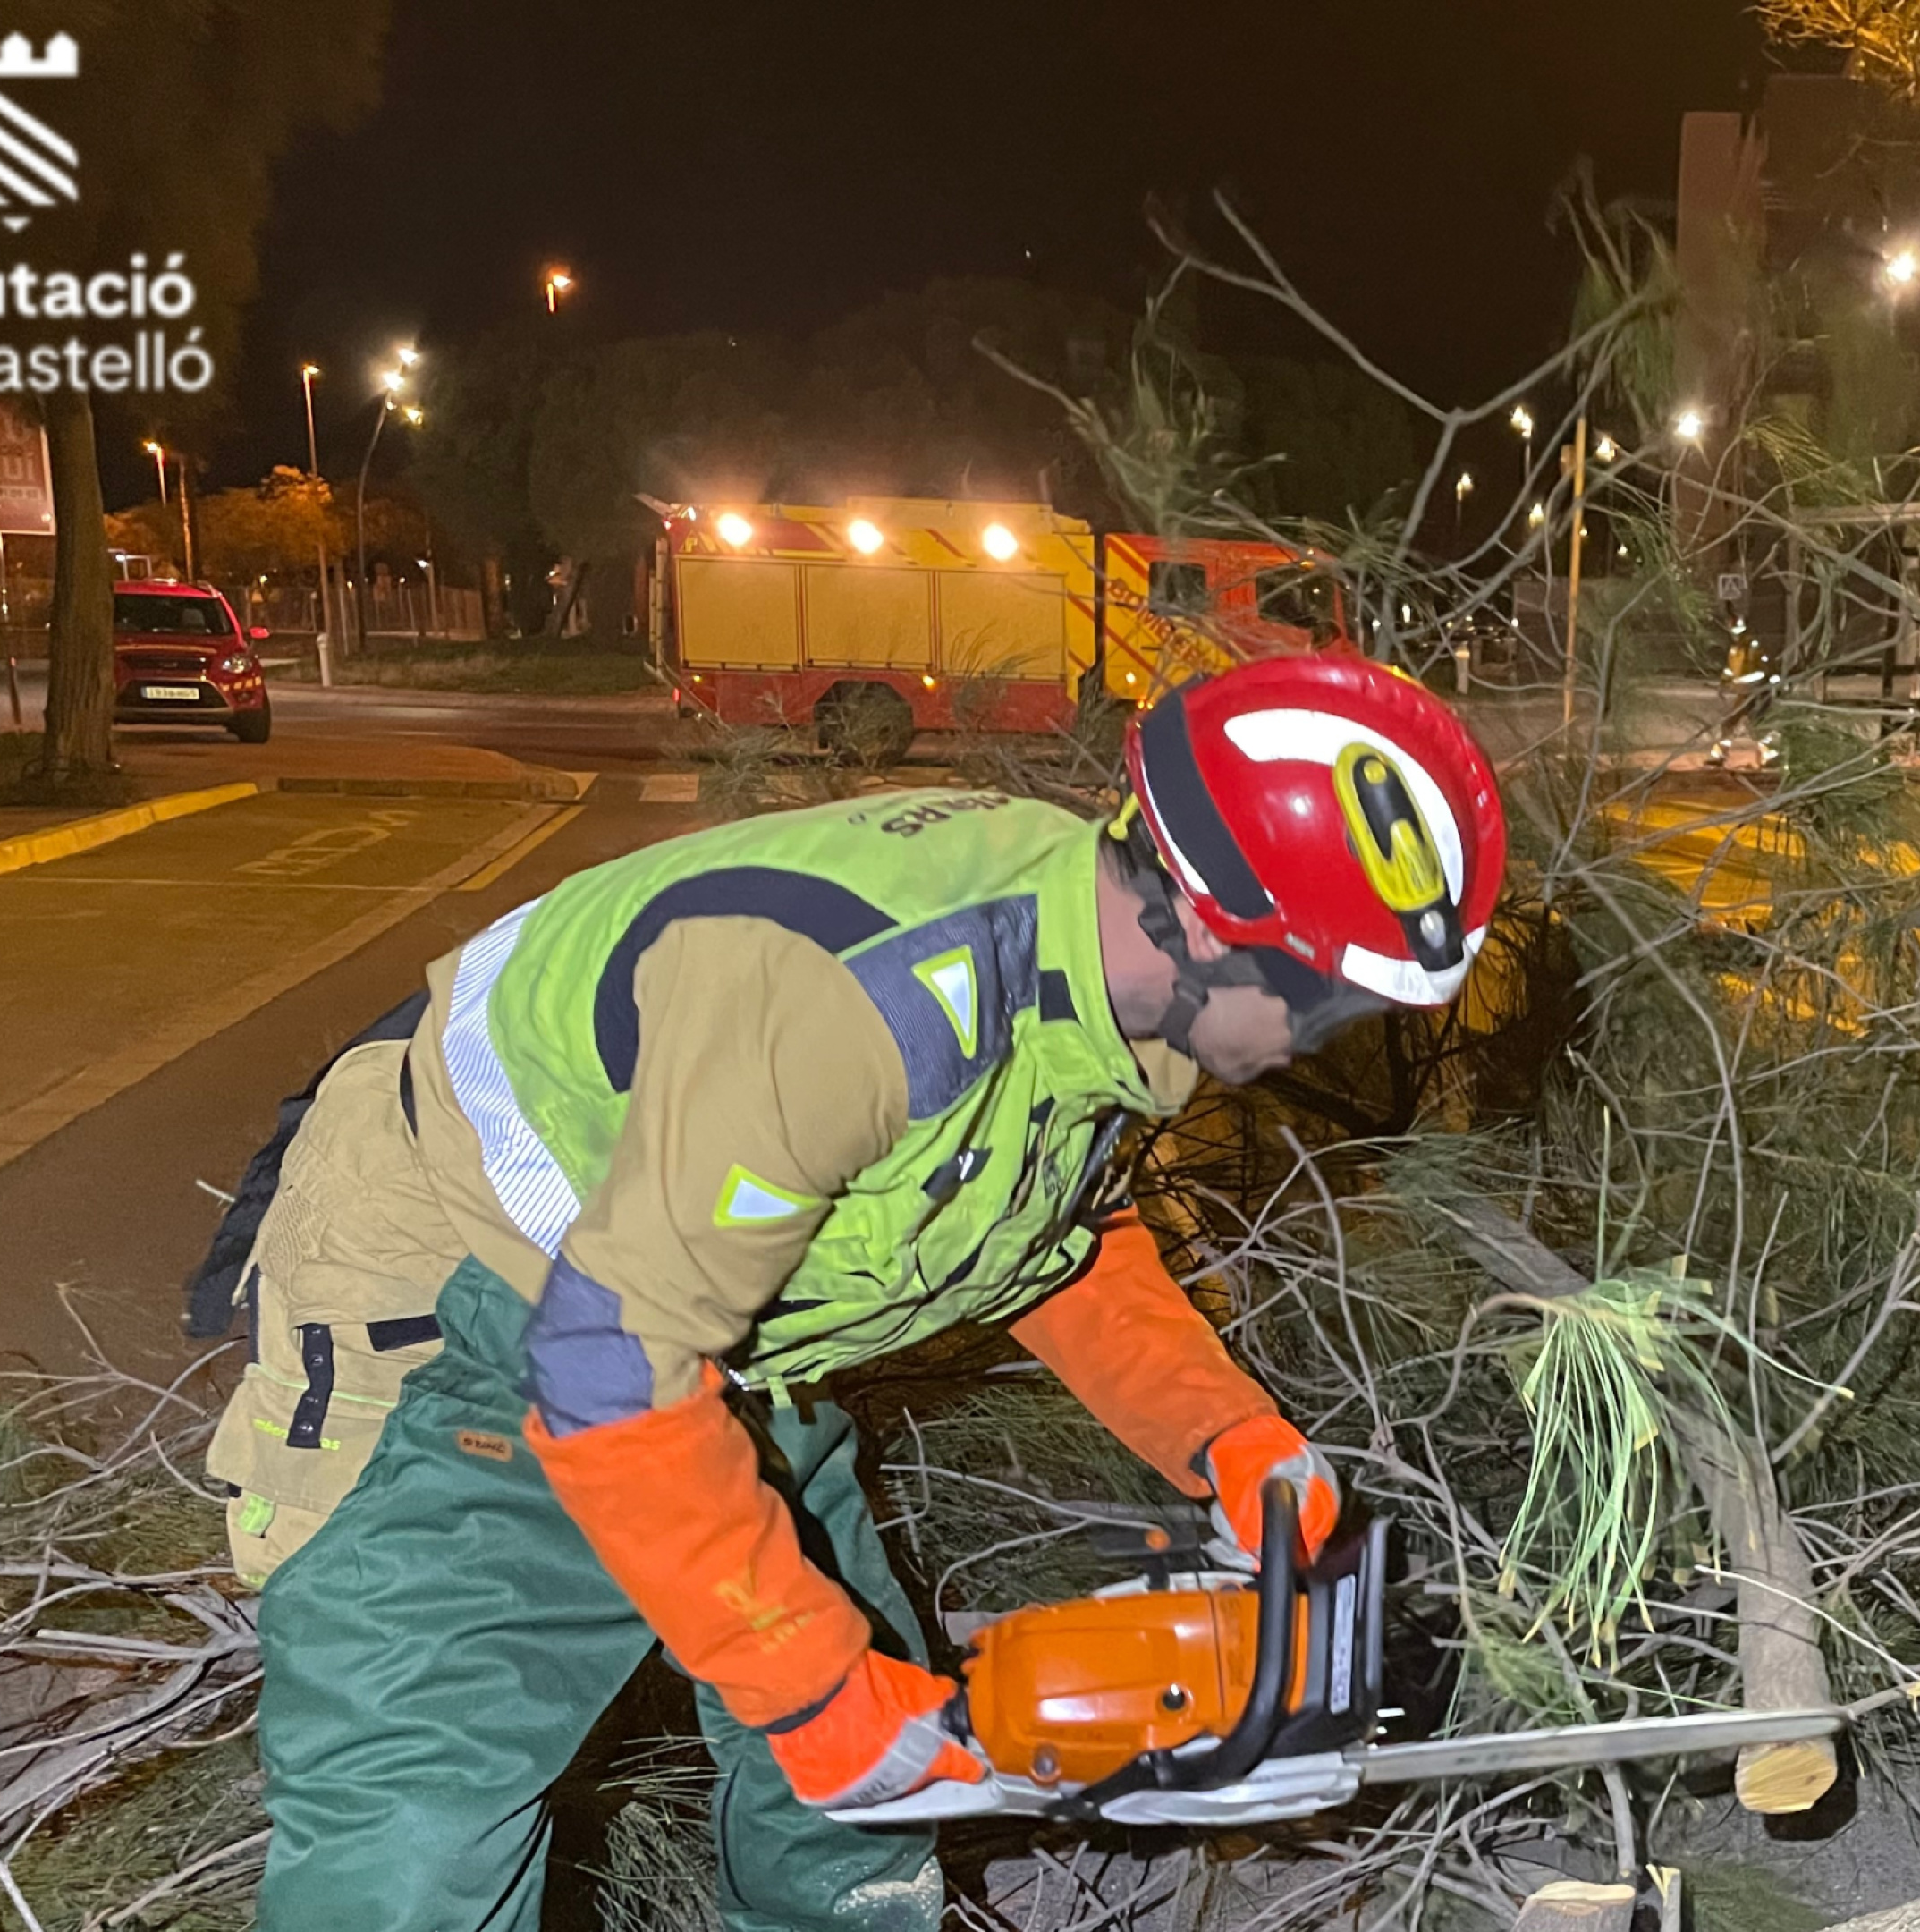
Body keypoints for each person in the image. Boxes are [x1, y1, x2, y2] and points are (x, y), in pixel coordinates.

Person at [220, 655, 1505, 1930]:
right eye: (1327, 998)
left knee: (861, 1784)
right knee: (421, 1802)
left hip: (697, 1298)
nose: (1322, 1040)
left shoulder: (1095, 974)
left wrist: (1229, 1442)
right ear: (1212, 923)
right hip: (473, 1274)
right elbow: (609, 1370)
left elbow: (1049, 1229)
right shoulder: (860, 1005)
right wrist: (814, 1700)